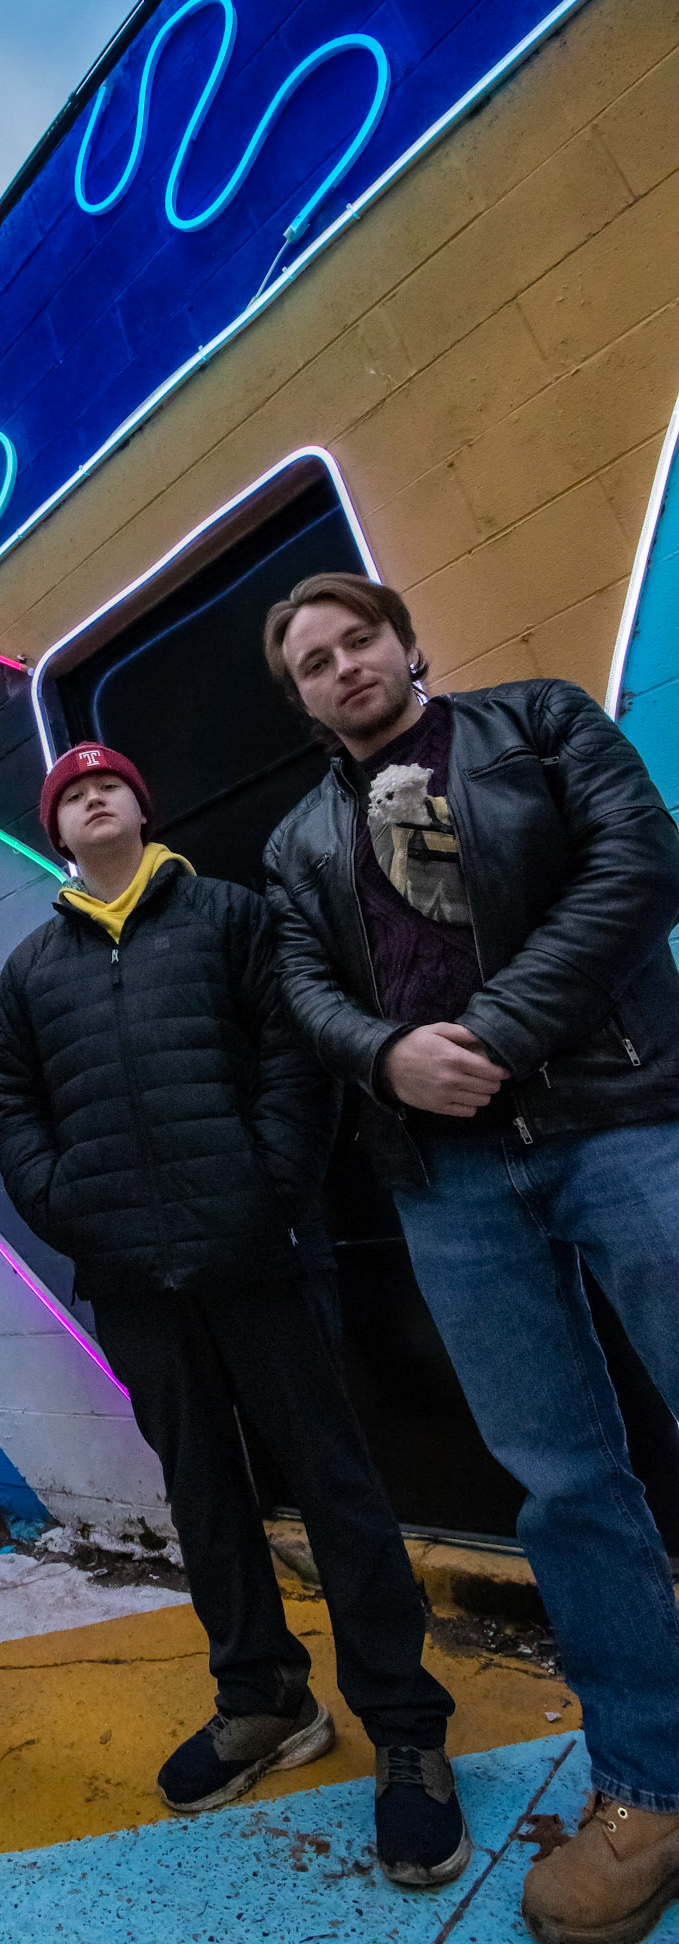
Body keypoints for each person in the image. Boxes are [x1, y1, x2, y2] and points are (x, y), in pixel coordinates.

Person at [263, 571, 679, 1944]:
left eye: (357, 639)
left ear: (405, 642)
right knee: (563, 1484)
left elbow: (640, 864)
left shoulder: (539, 722)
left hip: (624, 1117)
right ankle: (650, 1788)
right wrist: (385, 1054)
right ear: (301, 697)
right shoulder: (296, 841)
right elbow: (304, 990)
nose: (343, 666)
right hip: (446, 1182)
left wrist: (495, 1030)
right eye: (313, 661)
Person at [0, 742, 466, 1886]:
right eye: (70, 793)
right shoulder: (31, 968)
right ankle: (263, 1698)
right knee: (203, 1497)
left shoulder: (231, 916)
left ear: (143, 805)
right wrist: (70, 1209)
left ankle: (405, 1726)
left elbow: (294, 1061)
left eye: (109, 782)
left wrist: (265, 1190)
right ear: (58, 830)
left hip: (261, 1261)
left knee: (338, 1489)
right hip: (133, 1282)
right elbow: (16, 1106)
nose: (92, 796)